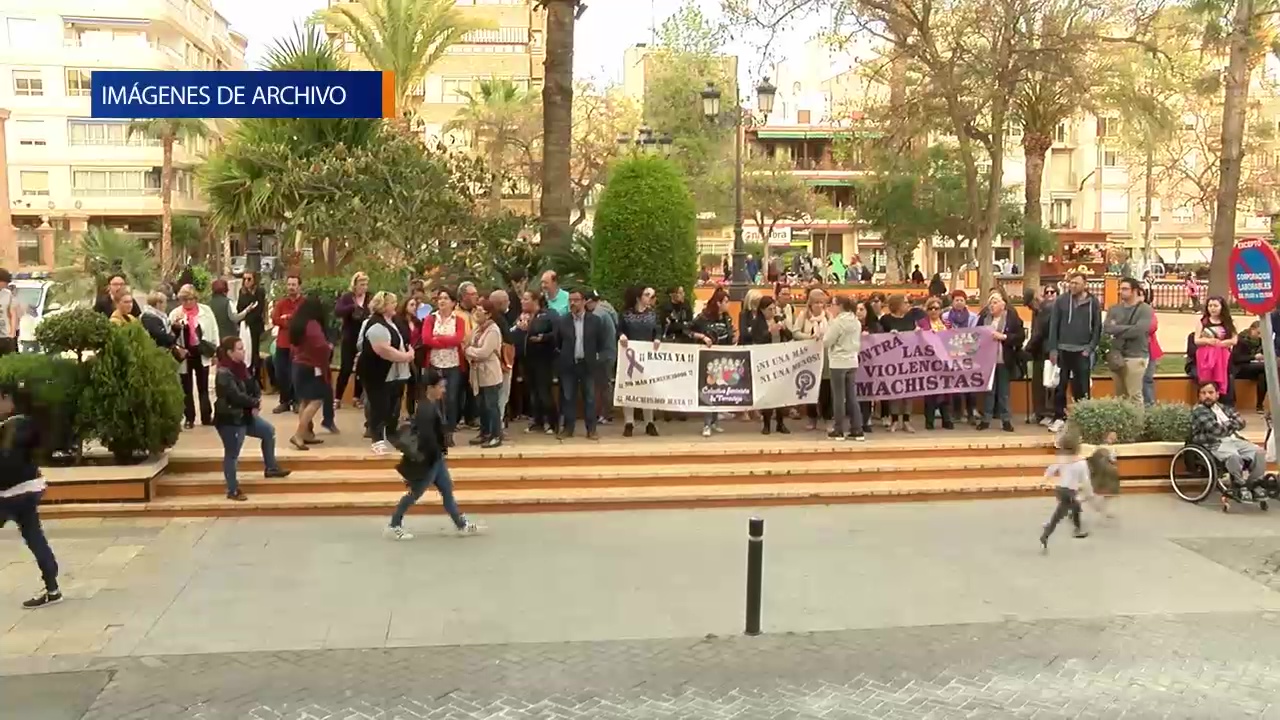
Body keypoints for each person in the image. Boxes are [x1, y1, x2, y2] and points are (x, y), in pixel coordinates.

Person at [386, 367, 481, 541]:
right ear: (431, 388)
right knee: (415, 493)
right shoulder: (425, 409)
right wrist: (437, 452)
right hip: (428, 461)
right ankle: (394, 524)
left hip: (436, 459)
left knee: (447, 491)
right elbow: (427, 438)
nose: (443, 390)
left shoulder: (432, 405)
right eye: (441, 387)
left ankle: (460, 524)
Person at [0, 381, 63, 608]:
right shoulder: (30, 423)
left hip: (10, 493)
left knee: (34, 535)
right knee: (34, 536)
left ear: (8, 400)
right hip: (31, 488)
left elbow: (7, 464)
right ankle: (52, 588)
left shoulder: (9, 428)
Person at [212, 336, 291, 501]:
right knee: (232, 454)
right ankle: (232, 489)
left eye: (243, 348)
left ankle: (271, 468)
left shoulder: (242, 368)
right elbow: (235, 396)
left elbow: (253, 386)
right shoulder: (223, 372)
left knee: (268, 431)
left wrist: (256, 400)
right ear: (230, 352)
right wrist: (254, 403)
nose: (243, 351)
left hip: (245, 416)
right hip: (231, 419)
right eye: (239, 349)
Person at [357, 292, 415, 455]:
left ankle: (390, 435)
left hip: (395, 373)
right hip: (377, 373)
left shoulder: (393, 321)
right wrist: (406, 357)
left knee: (392, 406)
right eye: (392, 302)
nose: (395, 305)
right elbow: (384, 350)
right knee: (378, 406)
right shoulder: (375, 325)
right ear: (384, 306)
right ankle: (377, 440)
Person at [1046, 272, 1102, 433]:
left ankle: (1082, 419)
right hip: (1063, 350)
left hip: (1082, 351)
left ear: (1085, 284)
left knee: (1082, 387)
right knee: (1060, 386)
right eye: (1071, 283)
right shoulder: (1061, 301)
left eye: (1076, 283)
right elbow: (1054, 325)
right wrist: (1053, 348)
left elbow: (1097, 327)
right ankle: (1058, 418)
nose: (1073, 286)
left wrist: (1090, 348)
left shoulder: (1093, 302)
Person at [1190, 380, 1267, 489]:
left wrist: (1226, 425)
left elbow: (1242, 423)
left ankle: (1255, 483)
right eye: (1203, 393)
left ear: (1217, 394)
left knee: (1259, 452)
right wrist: (1231, 424)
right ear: (1199, 396)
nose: (1207, 396)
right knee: (1233, 456)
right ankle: (1239, 483)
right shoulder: (1199, 411)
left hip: (1234, 440)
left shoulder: (1224, 408)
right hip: (1214, 443)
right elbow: (1217, 431)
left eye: (1211, 393)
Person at [553, 288, 609, 440]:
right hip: (569, 365)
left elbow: (602, 343)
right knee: (568, 397)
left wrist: (597, 358)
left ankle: (591, 429)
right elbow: (557, 342)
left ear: (584, 301)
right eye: (570, 300)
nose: (573, 303)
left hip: (588, 364)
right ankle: (568, 429)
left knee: (590, 398)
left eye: (576, 300)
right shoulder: (562, 321)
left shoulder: (595, 321)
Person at [168, 284, 218, 429]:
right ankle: (189, 418)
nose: (188, 303)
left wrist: (215, 352)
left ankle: (206, 416)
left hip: (201, 351)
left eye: (190, 299)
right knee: (186, 388)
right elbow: (170, 336)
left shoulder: (206, 311)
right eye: (184, 300)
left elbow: (214, 330)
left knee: (203, 387)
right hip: (185, 354)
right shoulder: (175, 313)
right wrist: (175, 327)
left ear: (196, 298)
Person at [422, 288, 468, 444]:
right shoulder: (430, 319)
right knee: (435, 400)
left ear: (453, 303)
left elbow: (458, 339)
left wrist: (439, 339)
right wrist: (446, 340)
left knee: (451, 399)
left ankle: (449, 432)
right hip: (435, 364)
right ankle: (435, 432)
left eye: (446, 298)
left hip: (453, 365)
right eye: (440, 298)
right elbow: (426, 339)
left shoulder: (459, 320)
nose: (442, 301)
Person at [741, 294, 792, 434]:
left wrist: (783, 329)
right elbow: (757, 339)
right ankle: (767, 423)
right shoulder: (758, 322)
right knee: (768, 394)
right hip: (765, 361)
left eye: (774, 309)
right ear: (762, 310)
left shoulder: (778, 320)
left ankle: (781, 423)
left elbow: (790, 337)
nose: (772, 312)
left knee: (780, 394)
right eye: (770, 309)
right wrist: (769, 331)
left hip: (780, 359)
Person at [287, 295, 332, 451]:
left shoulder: (297, 323)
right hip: (311, 367)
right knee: (317, 400)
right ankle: (299, 434)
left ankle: (305, 433)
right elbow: (321, 345)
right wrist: (329, 348)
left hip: (298, 365)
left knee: (304, 401)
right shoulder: (312, 325)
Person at [689, 287, 736, 438]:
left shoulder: (726, 317)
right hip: (708, 359)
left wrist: (733, 338)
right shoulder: (704, 317)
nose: (728, 305)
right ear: (718, 303)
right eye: (726, 302)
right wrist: (702, 337)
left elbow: (730, 333)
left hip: (724, 358)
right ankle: (707, 424)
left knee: (719, 390)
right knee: (709, 391)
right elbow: (688, 330)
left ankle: (715, 421)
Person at [617, 286, 662, 437]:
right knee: (629, 388)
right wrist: (622, 335)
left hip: (647, 357)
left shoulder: (653, 315)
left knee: (647, 389)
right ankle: (629, 422)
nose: (649, 297)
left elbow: (658, 330)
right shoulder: (626, 315)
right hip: (629, 358)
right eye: (646, 295)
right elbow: (619, 330)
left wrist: (657, 339)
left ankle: (649, 422)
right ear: (638, 297)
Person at [977, 292, 1024, 432]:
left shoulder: (1012, 318)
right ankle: (986, 420)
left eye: (995, 302)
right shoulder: (984, 318)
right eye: (991, 302)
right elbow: (976, 335)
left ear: (1003, 305)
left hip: (1004, 359)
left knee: (1004, 392)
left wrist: (1003, 337)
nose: (992, 305)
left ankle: (1006, 421)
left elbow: (1020, 336)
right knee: (989, 391)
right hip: (988, 361)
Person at [1039, 426, 1091, 551]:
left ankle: (1047, 533)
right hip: (1070, 491)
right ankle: (1075, 530)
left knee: (1070, 510)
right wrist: (1088, 492)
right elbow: (1085, 480)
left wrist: (1044, 481)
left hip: (1060, 489)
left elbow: (1051, 470)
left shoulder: (1062, 460)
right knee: (1067, 511)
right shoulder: (1081, 462)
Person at [1103, 277, 1153, 403]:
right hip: (1117, 356)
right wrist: (1128, 328)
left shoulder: (1145, 309)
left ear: (1134, 291)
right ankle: (1123, 422)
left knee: (1134, 395)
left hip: (1136, 356)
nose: (1121, 292)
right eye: (1120, 289)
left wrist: (1118, 329)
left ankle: (1137, 423)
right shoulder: (1114, 309)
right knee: (1120, 396)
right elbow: (1107, 328)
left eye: (1125, 289)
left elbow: (1139, 330)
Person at [465, 299, 504, 448]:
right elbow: (467, 344)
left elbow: (484, 352)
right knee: (481, 405)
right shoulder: (477, 328)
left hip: (490, 373)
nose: (476, 314)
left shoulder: (493, 330)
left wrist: (469, 351)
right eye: (475, 310)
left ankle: (496, 435)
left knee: (491, 405)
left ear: (488, 314)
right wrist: (470, 351)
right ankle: (485, 432)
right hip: (477, 373)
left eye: (480, 311)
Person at [825, 295, 864, 441]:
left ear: (840, 306)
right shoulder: (856, 321)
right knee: (852, 396)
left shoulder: (838, 322)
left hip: (838, 362)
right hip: (852, 360)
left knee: (839, 397)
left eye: (833, 304)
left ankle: (839, 429)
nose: (831, 307)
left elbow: (827, 341)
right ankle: (857, 428)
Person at [519, 290, 558, 435]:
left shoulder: (548, 315)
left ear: (535, 301)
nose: (522, 301)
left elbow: (556, 333)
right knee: (533, 392)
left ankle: (552, 422)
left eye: (526, 299)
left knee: (544, 392)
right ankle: (537, 421)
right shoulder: (522, 317)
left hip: (543, 360)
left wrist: (542, 338)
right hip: (528, 360)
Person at [878, 294, 917, 432]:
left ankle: (906, 420)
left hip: (909, 359)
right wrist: (889, 335)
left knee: (909, 390)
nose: (908, 305)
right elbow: (878, 337)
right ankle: (894, 419)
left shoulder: (911, 318)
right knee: (894, 389)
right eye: (905, 302)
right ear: (897, 304)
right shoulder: (886, 319)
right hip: (892, 361)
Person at [334, 272, 371, 411]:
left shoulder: (369, 298)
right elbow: (338, 311)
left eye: (366, 284)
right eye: (361, 284)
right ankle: (337, 398)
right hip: (349, 335)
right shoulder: (347, 297)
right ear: (354, 285)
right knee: (346, 368)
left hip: (365, 336)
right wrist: (352, 308)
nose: (364, 287)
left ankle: (357, 397)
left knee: (362, 368)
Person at [916, 297, 954, 430]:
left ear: (940, 310)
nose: (933, 311)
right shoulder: (921, 324)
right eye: (930, 309)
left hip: (945, 362)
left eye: (936, 308)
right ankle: (930, 421)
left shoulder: (947, 324)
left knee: (947, 391)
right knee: (930, 391)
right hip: (929, 362)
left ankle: (947, 419)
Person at [270, 275, 304, 413]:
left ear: (299, 286)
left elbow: (304, 320)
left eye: (294, 284)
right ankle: (284, 401)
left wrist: (288, 319)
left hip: (298, 344)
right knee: (281, 373)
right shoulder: (281, 303)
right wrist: (289, 320)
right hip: (282, 343)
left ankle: (297, 401)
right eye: (289, 284)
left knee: (296, 373)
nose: (291, 287)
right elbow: (275, 319)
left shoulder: (304, 303)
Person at [1195, 296, 1237, 402]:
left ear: (1222, 307)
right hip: (1205, 358)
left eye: (1215, 306)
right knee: (1206, 381)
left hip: (1223, 358)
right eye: (1210, 306)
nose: (1212, 308)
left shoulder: (1229, 322)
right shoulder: (1202, 322)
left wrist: (1220, 344)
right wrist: (1208, 341)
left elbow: (1234, 340)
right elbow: (1196, 340)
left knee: (1223, 381)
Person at [236, 271, 267, 385]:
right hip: (245, 325)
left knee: (255, 351)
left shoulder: (259, 291)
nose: (246, 282)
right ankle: (246, 375)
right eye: (244, 279)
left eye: (249, 279)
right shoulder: (242, 292)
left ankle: (256, 377)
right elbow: (239, 308)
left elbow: (259, 309)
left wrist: (248, 312)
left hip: (255, 326)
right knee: (246, 351)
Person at [1233, 320, 1269, 413]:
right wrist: (1254, 357)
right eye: (1258, 332)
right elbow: (1236, 358)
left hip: (1253, 367)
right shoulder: (1240, 340)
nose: (1260, 335)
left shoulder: (1262, 341)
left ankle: (1259, 405)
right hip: (1239, 368)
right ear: (1252, 329)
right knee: (1265, 368)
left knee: (1263, 375)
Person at [1141, 288, 1162, 407]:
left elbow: (1152, 327)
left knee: (1147, 378)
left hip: (1149, 349)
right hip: (1129, 350)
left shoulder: (1149, 311)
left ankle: (1150, 408)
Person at [0, 269, 17, 356]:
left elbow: (12, 313)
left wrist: (12, 332)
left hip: (6, 336)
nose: (6, 285)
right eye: (5, 283)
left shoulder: (8, 294)